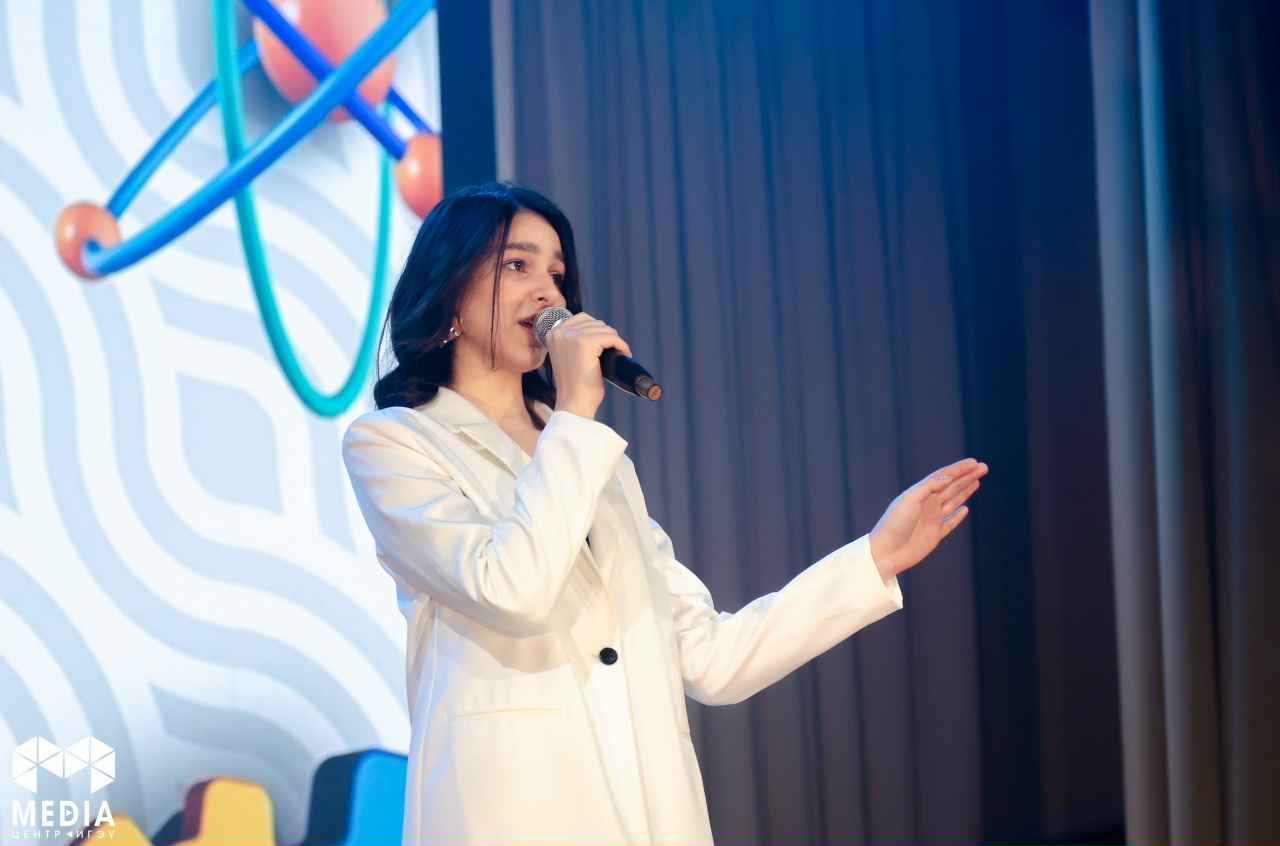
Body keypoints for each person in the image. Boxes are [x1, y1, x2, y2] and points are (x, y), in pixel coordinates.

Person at [341, 183, 987, 846]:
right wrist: (574, 415)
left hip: (646, 814)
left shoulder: (594, 461)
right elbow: (511, 590)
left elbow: (712, 656)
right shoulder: (396, 443)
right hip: (513, 812)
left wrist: (874, 558)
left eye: (557, 274)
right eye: (517, 265)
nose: (547, 292)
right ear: (450, 289)